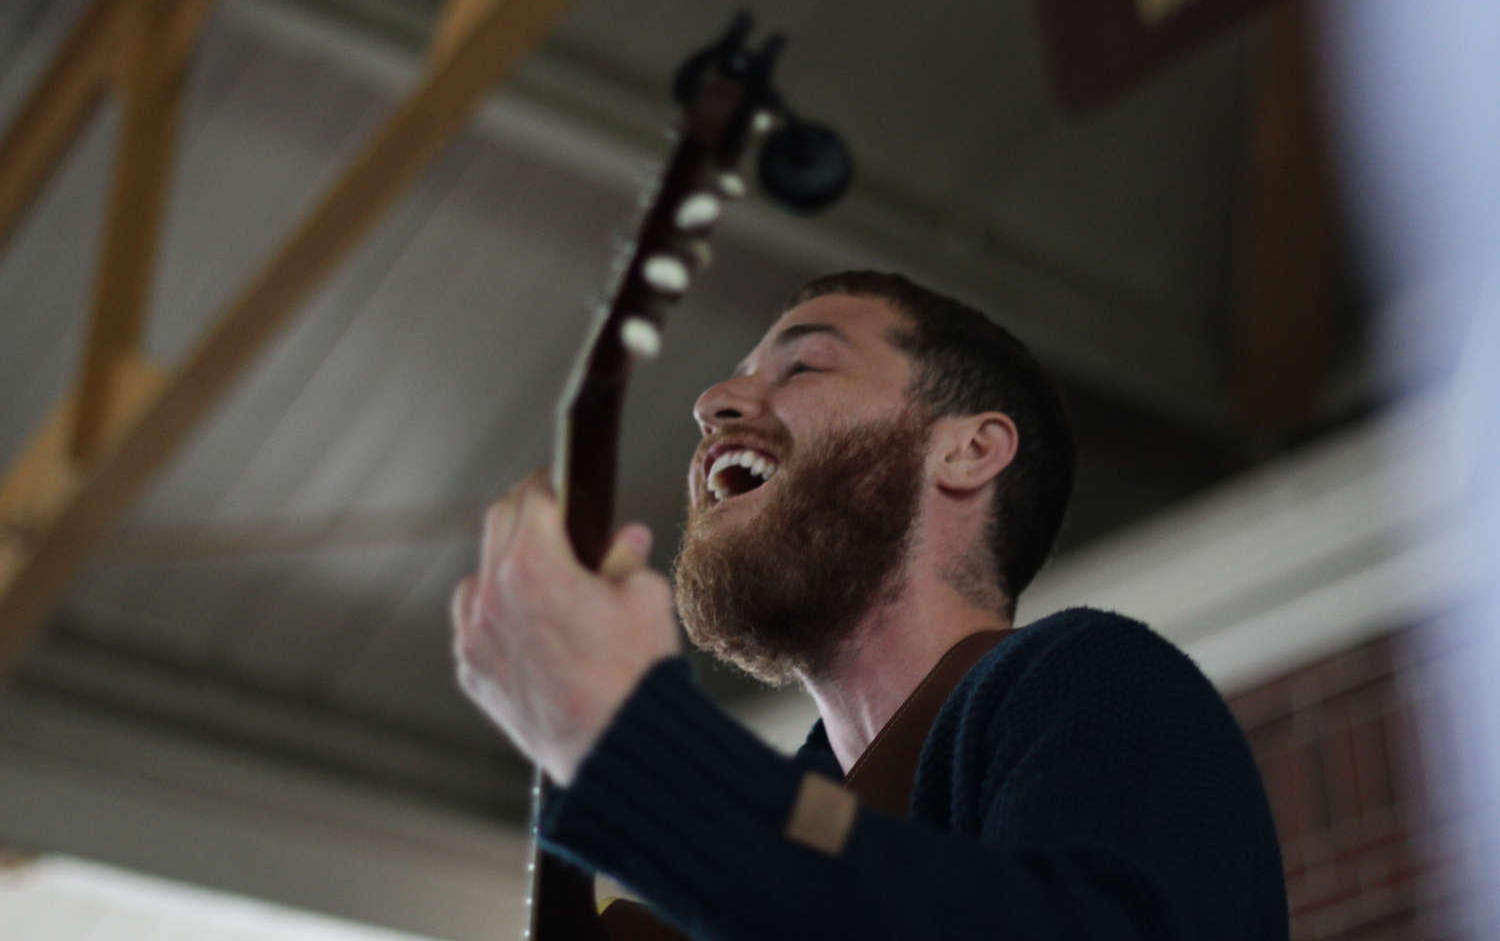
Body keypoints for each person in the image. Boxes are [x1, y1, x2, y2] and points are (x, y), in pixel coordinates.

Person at [452, 271, 1289, 941]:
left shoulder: (1098, 683)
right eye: (737, 380)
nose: (714, 402)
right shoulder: (785, 834)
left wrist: (642, 753)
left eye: (805, 364)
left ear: (966, 449)